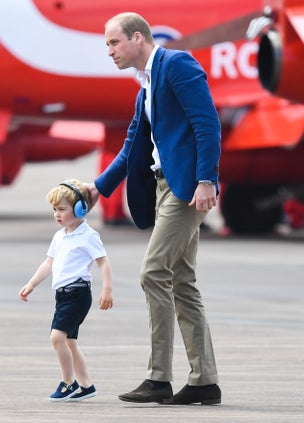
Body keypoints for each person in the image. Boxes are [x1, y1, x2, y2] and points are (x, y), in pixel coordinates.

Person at [86, 12, 221, 405]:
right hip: (165, 186)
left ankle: (158, 378)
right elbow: (132, 145)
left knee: (152, 272)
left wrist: (207, 179)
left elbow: (207, 124)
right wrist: (98, 188)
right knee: (182, 282)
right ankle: (204, 382)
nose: (109, 51)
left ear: (138, 38)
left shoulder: (177, 65)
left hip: (186, 189)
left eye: (114, 42)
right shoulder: (145, 86)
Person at [19, 179, 113, 402]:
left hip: (78, 294)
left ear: (81, 208)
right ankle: (86, 385)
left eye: (62, 209)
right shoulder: (60, 236)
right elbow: (49, 264)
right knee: (69, 341)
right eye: (54, 210)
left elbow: (103, 262)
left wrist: (107, 289)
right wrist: (31, 284)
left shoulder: (88, 235)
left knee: (56, 337)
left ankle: (68, 382)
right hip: (62, 295)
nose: (57, 214)